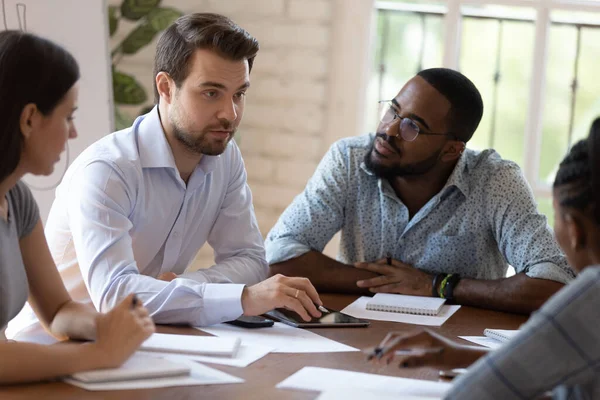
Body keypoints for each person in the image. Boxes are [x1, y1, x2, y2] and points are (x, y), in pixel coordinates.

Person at [43, 13, 323, 327]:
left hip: (146, 341)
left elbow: (250, 260)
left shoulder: (226, 159)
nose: (229, 114)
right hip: (54, 353)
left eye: (239, 94)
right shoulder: (108, 171)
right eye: (211, 93)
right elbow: (115, 294)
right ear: (165, 88)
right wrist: (241, 297)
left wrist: (183, 285)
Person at [267, 68, 572, 314]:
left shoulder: (494, 181)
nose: (389, 130)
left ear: (451, 150)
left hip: (456, 348)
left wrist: (438, 285)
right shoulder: (348, 159)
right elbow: (278, 254)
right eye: (392, 111)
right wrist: (387, 283)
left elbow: (553, 284)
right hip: (360, 335)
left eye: (412, 127)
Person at [368, 118, 600, 399]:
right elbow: (561, 366)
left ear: (574, 230)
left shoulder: (591, 297)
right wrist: (459, 356)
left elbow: (472, 394)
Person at [0, 30, 154, 384]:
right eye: (68, 117)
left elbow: (56, 311)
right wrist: (98, 354)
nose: (73, 134)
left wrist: (103, 325)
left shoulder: (17, 199)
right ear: (29, 119)